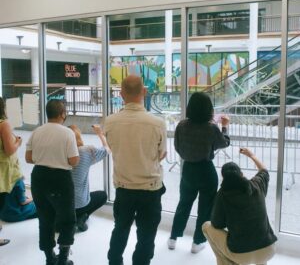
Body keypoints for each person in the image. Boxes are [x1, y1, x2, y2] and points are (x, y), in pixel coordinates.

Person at [105, 75, 167, 265]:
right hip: (150, 188)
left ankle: (115, 262)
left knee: (120, 229)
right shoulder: (158, 123)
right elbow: (162, 154)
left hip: (124, 188)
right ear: (144, 92)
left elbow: (112, 147)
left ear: (121, 94)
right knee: (147, 236)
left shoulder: (110, 121)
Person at [168, 92, 230, 253]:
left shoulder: (182, 125)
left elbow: (177, 146)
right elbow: (224, 143)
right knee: (205, 208)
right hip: (206, 170)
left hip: (188, 169)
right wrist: (225, 126)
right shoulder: (211, 128)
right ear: (208, 109)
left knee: (184, 203)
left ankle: (173, 238)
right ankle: (197, 242)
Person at [26, 99, 79, 265]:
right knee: (67, 219)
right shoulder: (67, 133)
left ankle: (50, 259)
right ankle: (63, 260)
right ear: (63, 114)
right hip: (60, 179)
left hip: (39, 178)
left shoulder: (36, 131)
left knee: (45, 218)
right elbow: (74, 160)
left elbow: (28, 158)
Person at [202, 148, 277, 265]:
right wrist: (251, 155)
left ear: (223, 177)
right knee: (259, 233)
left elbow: (217, 224)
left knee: (206, 226)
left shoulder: (222, 195)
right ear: (242, 174)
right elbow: (264, 170)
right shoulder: (257, 185)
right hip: (269, 249)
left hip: (241, 255)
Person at [0, 97, 35, 223]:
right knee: (14, 184)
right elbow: (9, 150)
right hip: (5, 167)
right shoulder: (3, 124)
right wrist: (18, 142)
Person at [68, 124, 109, 232]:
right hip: (80, 204)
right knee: (103, 195)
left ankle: (71, 221)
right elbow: (107, 150)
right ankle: (82, 217)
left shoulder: (59, 152)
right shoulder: (86, 151)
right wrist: (100, 133)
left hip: (63, 206)